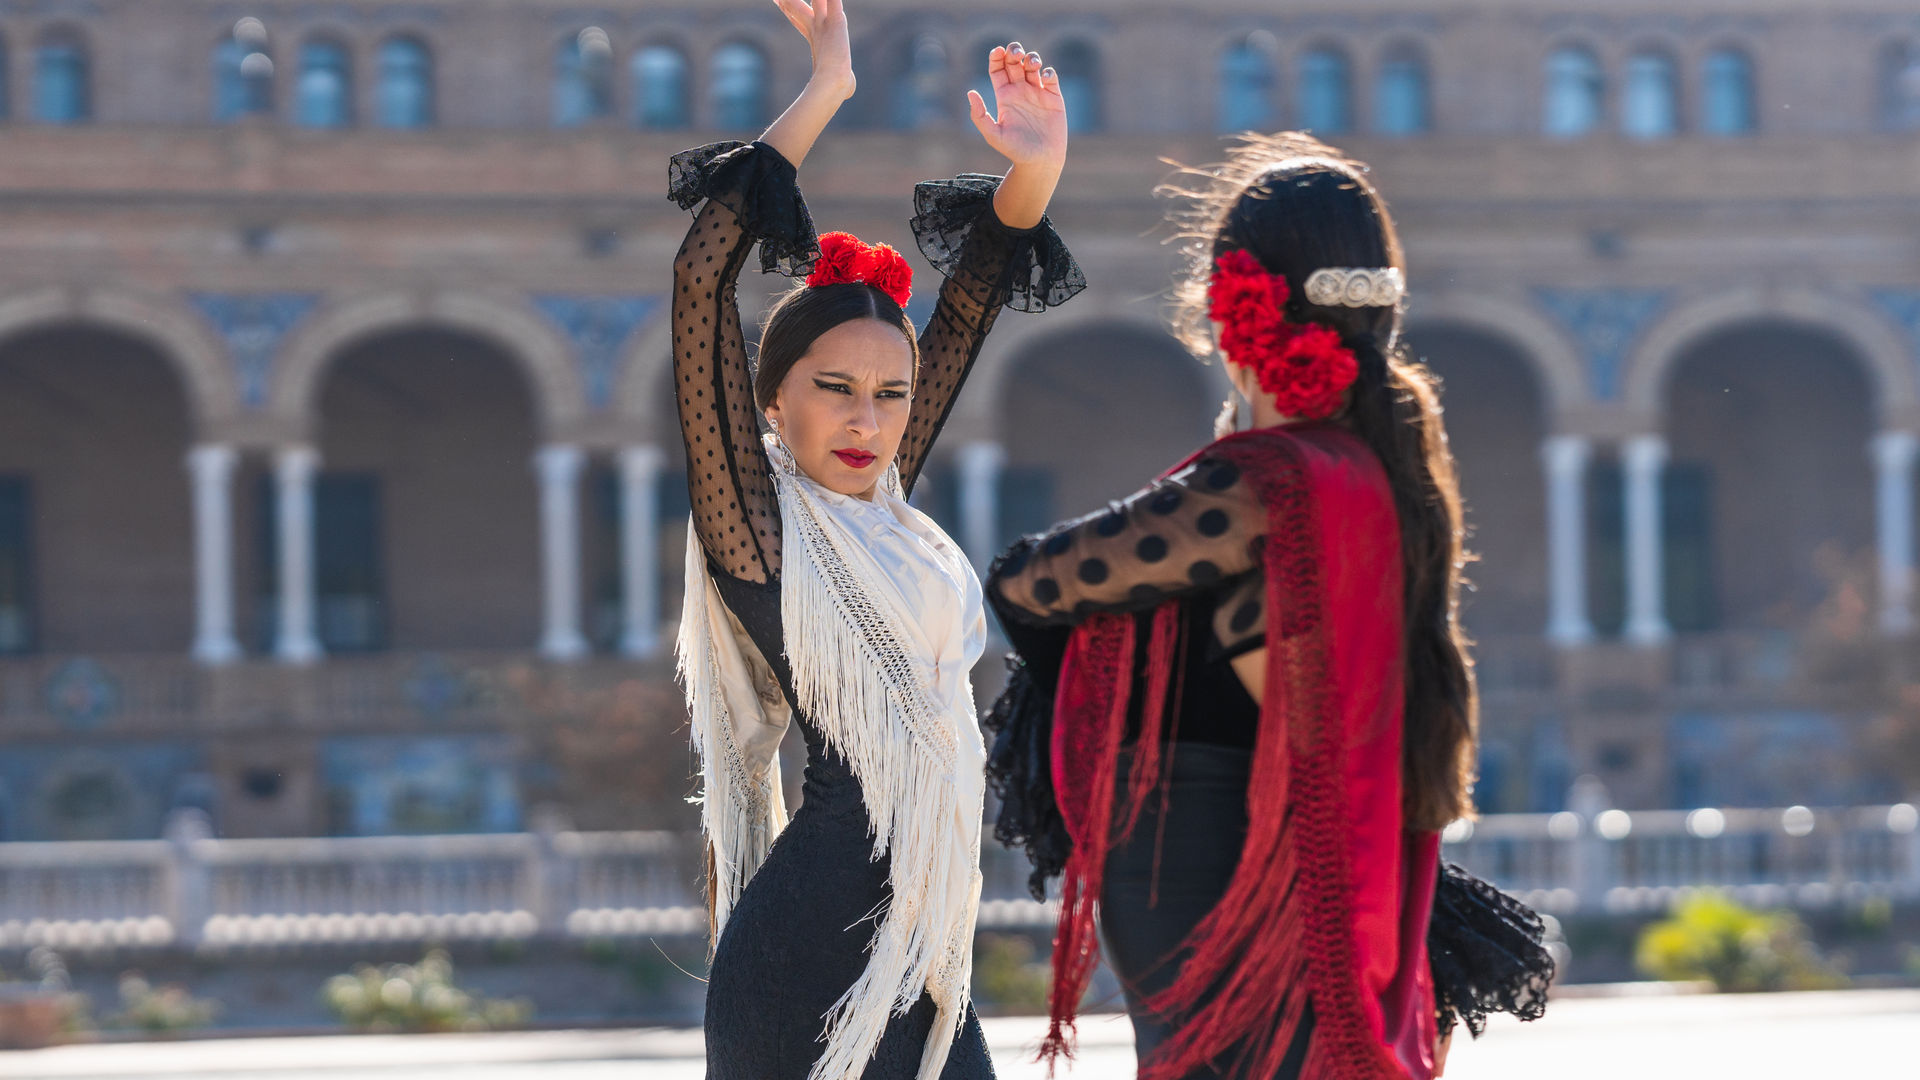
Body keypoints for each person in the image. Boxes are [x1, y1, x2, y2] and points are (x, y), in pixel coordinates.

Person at [982, 133, 1550, 1080]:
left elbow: (1028, 583)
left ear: (1228, 306)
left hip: (1215, 893)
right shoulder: (1368, 472)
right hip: (1266, 899)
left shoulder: (1261, 487)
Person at [667, 2, 1082, 1077]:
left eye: (892, 396)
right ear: (775, 401)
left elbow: (977, 294)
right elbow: (703, 278)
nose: (868, 420)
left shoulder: (888, 517)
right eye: (836, 390)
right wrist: (828, 88)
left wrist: (1037, 165)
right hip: (807, 962)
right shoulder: (758, 530)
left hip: (923, 957)